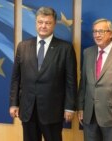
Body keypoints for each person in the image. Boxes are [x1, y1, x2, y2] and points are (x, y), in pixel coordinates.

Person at [9, 6, 77, 141]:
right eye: (40, 22)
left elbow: (71, 81)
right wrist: (14, 103)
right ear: (36, 23)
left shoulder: (65, 48)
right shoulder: (23, 46)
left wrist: (69, 107)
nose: (43, 26)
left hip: (53, 110)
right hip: (28, 109)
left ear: (54, 24)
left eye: (48, 23)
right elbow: (16, 78)